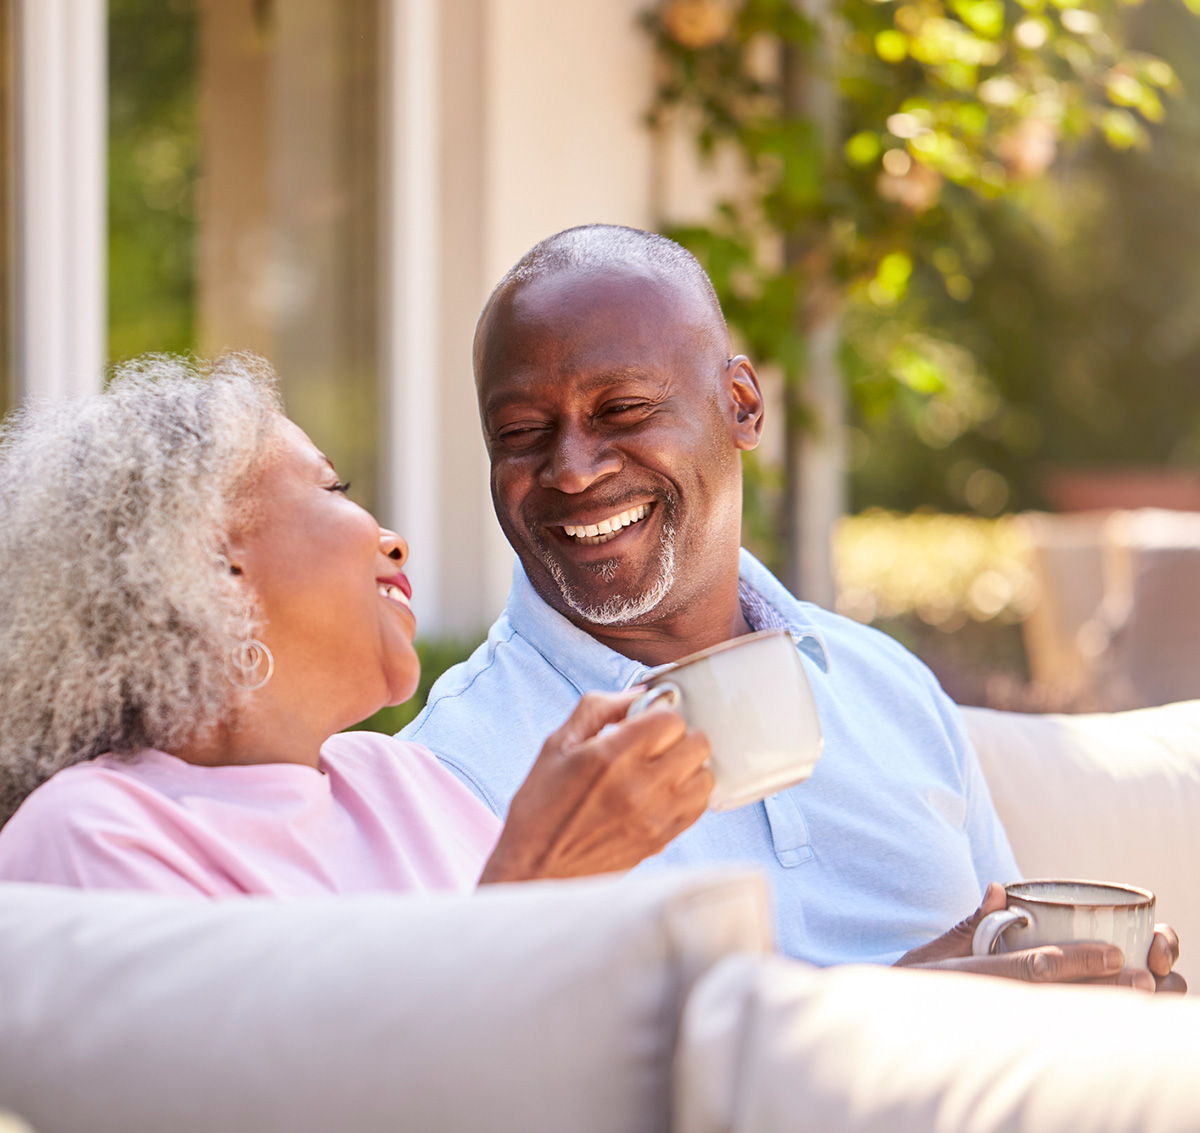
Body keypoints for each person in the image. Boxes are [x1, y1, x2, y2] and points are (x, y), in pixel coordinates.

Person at [400, 224, 1184, 991]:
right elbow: (497, 1089)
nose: (571, 471)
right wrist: (894, 1015)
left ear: (741, 405)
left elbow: (1007, 946)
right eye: (523, 431)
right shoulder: (456, 767)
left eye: (624, 410)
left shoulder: (885, 686)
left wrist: (1094, 1004)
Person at [0, 354, 713, 895]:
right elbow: (278, 1093)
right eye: (331, 488)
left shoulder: (404, 781)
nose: (395, 542)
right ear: (211, 567)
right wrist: (538, 879)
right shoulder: (93, 834)